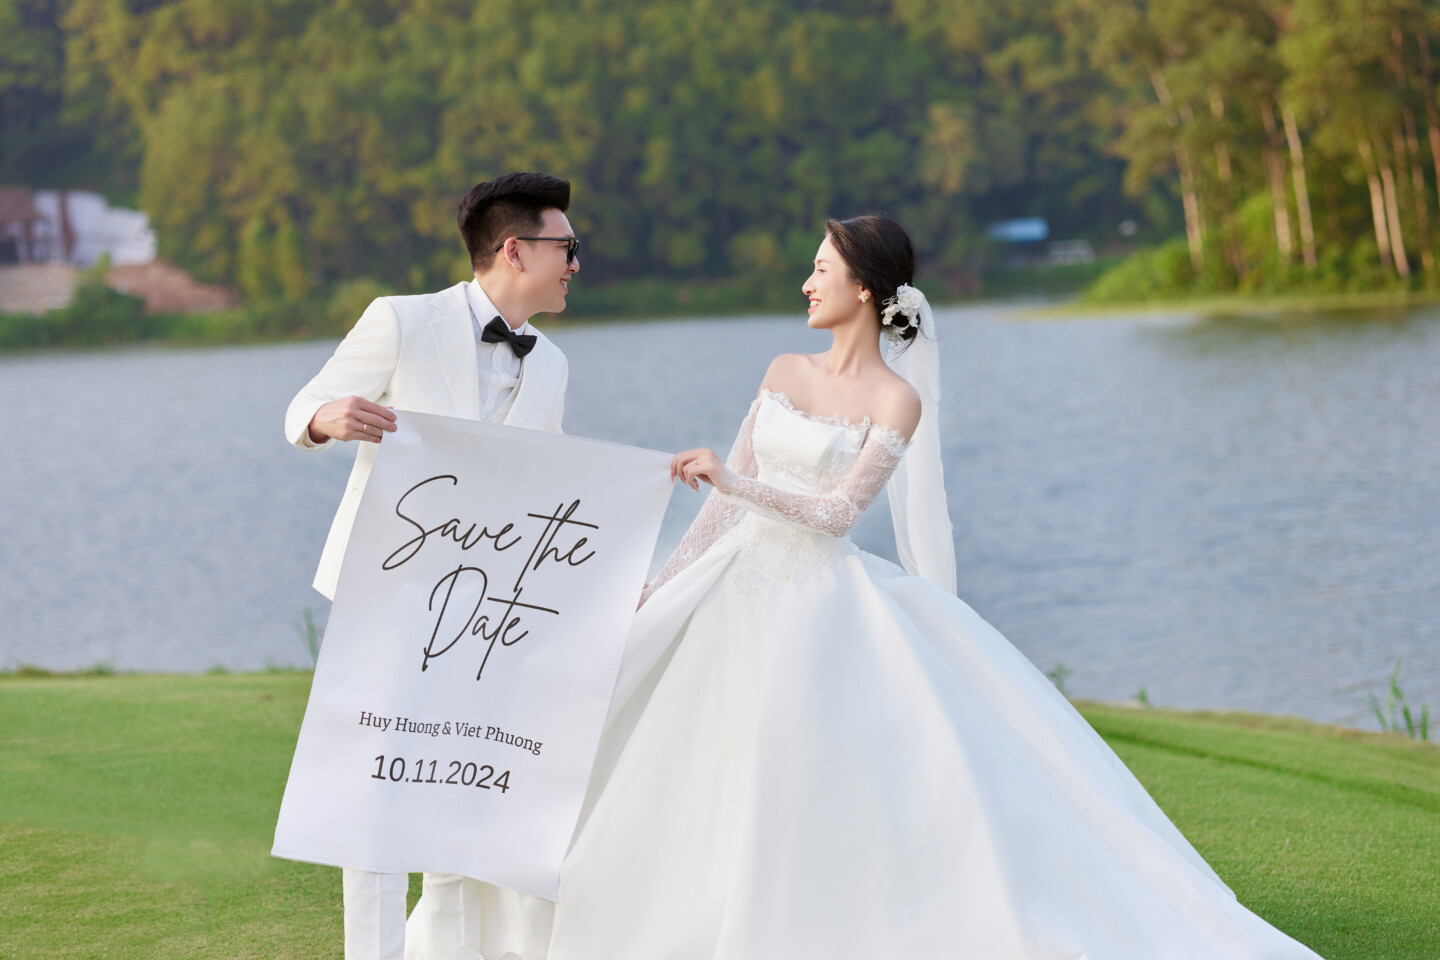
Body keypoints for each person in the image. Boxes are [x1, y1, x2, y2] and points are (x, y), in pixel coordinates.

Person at [543, 215, 1326, 959]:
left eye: (821, 269)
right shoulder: (782, 371)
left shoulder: (897, 400)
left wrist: (735, 482)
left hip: (814, 601)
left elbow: (838, 513)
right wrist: (664, 583)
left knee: (796, 769)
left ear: (863, 288)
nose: (807, 284)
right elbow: (720, 508)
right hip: (730, 587)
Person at [284, 171, 577, 960]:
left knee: (459, 788)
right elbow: (301, 406)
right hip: (384, 590)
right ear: (515, 250)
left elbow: (548, 488)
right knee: (375, 794)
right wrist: (326, 417)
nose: (576, 263)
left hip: (485, 612)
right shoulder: (402, 321)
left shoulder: (552, 364)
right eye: (567, 247)